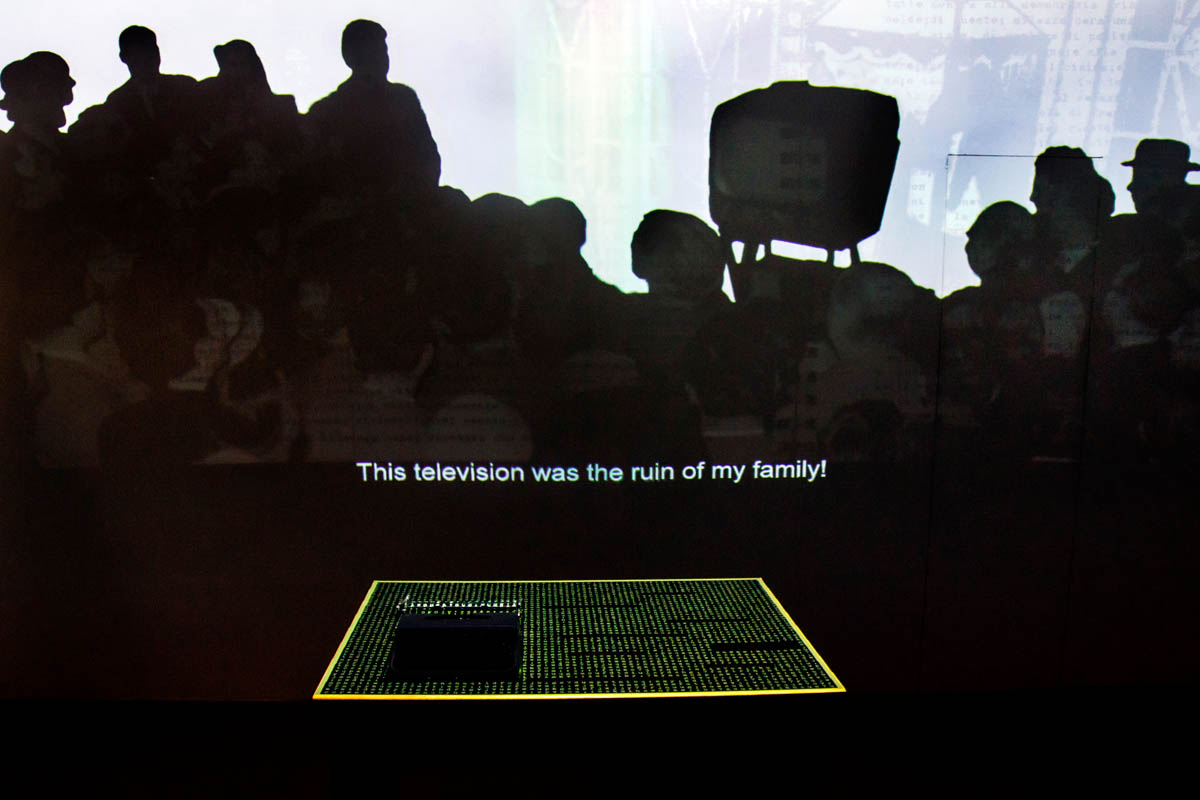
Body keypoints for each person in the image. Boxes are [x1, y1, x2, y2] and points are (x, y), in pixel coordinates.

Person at [305, 19, 440, 205]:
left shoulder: (404, 98)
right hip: (359, 207)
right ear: (352, 57)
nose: (383, 58)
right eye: (375, 51)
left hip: (409, 202)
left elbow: (428, 157)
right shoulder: (328, 111)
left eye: (384, 50)